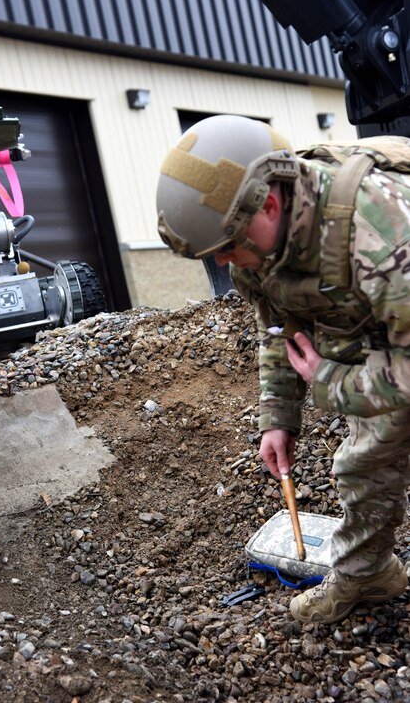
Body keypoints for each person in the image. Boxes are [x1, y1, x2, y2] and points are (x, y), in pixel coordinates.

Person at [156, 114, 409, 624]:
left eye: (228, 247)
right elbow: (276, 328)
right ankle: (367, 576)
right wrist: (278, 416)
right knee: (363, 463)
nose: (228, 264)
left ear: (269, 203)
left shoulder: (381, 237)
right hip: (381, 326)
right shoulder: (254, 246)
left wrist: (330, 382)